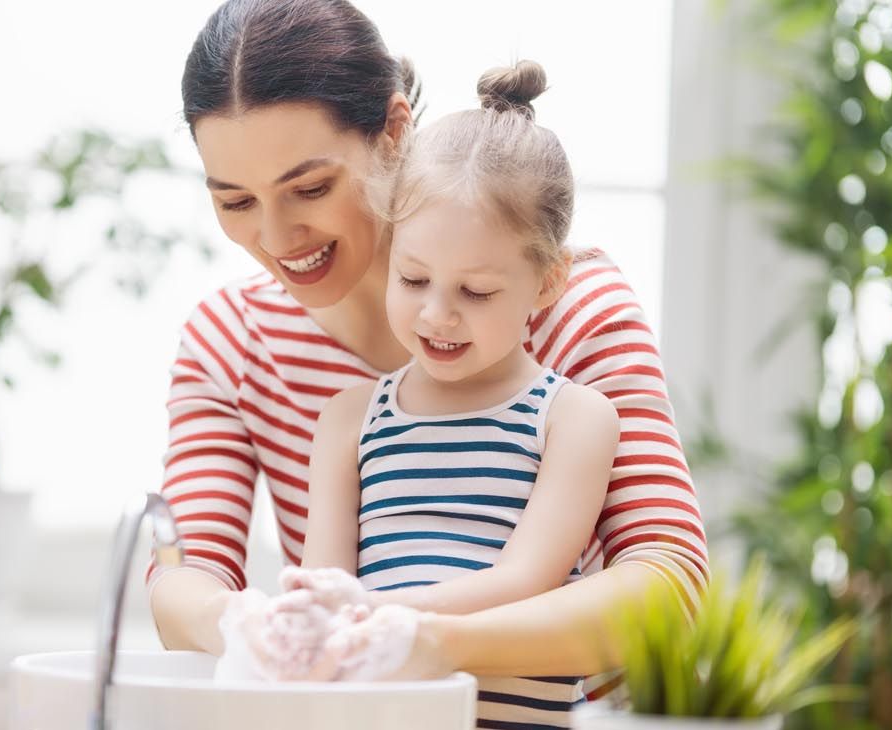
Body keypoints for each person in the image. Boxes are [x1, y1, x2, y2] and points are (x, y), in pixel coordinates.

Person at [150, 0, 707, 692]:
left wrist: (433, 640)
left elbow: (670, 587)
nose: (277, 235)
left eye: (312, 187)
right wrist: (241, 625)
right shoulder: (232, 341)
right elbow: (183, 575)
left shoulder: (569, 307)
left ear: (392, 131)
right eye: (235, 202)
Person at [285, 58, 619, 727]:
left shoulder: (573, 418)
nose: (437, 314)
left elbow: (529, 581)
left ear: (549, 283)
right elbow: (328, 586)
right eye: (412, 279)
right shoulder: (350, 420)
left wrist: (387, 615)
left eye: (476, 291)